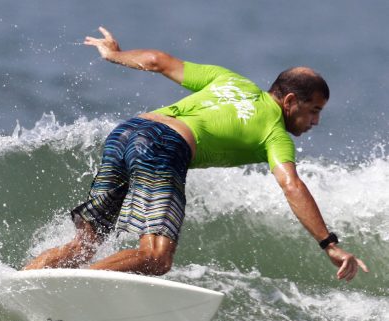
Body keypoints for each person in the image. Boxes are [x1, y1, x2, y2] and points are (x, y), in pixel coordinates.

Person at [24, 27, 368, 281]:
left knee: (84, 245)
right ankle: (70, 288)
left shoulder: (228, 79)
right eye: (314, 110)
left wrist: (114, 55)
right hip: (163, 146)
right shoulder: (275, 132)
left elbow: (158, 61)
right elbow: (291, 185)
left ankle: (20, 285)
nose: (316, 121)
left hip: (126, 133)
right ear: (290, 101)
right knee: (156, 258)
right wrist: (329, 244)